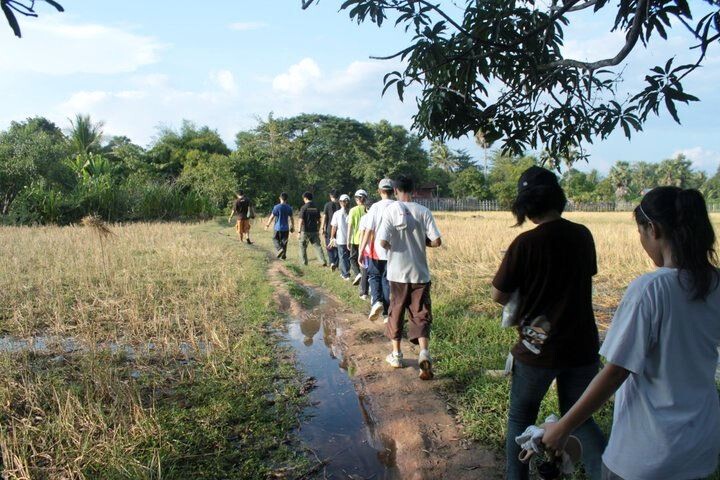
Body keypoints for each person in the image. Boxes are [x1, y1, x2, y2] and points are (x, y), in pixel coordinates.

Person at [542, 186, 720, 480]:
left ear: (653, 229)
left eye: (641, 232)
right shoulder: (714, 283)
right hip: (699, 447)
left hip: (647, 453)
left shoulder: (651, 289)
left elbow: (615, 372)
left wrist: (563, 428)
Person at [490, 166, 606, 480]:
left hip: (537, 346)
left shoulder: (525, 244)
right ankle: (606, 474)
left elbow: (498, 295)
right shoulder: (582, 235)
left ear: (525, 206)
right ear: (558, 198)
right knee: (580, 420)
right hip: (582, 346)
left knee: (520, 418)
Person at [376, 174, 441, 380]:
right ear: (413, 190)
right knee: (420, 312)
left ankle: (396, 354)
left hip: (397, 273)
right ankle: (424, 352)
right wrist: (422, 244)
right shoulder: (424, 211)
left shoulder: (390, 211)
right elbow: (436, 241)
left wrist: (395, 246)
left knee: (396, 311)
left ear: (395, 191)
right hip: (420, 273)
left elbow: (382, 242)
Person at [359, 178, 395, 321]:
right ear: (393, 191)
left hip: (376, 250)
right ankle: (387, 314)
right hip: (393, 251)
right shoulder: (398, 206)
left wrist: (361, 251)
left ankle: (376, 302)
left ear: (379, 191)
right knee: (387, 281)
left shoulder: (375, 207)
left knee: (374, 276)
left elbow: (368, 230)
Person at [297, 192, 328, 267]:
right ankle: (322, 261)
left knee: (302, 246)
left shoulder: (303, 208)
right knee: (317, 246)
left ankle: (304, 263)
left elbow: (301, 220)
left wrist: (298, 231)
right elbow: (319, 220)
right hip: (314, 230)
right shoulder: (315, 208)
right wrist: (318, 227)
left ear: (305, 198)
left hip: (305, 231)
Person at [347, 189, 368, 286]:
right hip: (366, 240)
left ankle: (358, 274)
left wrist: (347, 240)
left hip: (355, 240)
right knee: (364, 261)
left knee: (352, 258)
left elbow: (350, 226)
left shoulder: (353, 210)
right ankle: (365, 280)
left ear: (356, 199)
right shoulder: (368, 210)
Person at [265, 192, 294, 259]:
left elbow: (272, 217)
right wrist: (292, 226)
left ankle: (279, 249)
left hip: (277, 228)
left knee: (275, 239)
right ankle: (283, 256)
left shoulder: (276, 207)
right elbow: (291, 218)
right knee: (284, 242)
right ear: (286, 199)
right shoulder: (289, 207)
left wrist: (267, 225)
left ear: (280, 198)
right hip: (286, 228)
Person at [330, 194, 351, 280]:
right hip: (351, 239)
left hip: (341, 238)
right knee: (349, 257)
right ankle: (346, 271)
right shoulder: (351, 212)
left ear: (340, 202)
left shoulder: (337, 213)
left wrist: (332, 237)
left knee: (342, 257)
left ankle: (345, 274)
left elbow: (334, 227)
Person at [321, 189, 341, 271]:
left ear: (330, 196)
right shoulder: (341, 204)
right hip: (339, 229)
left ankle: (332, 262)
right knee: (337, 247)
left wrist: (322, 227)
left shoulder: (327, 205)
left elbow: (325, 216)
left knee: (329, 246)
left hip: (329, 228)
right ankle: (336, 263)